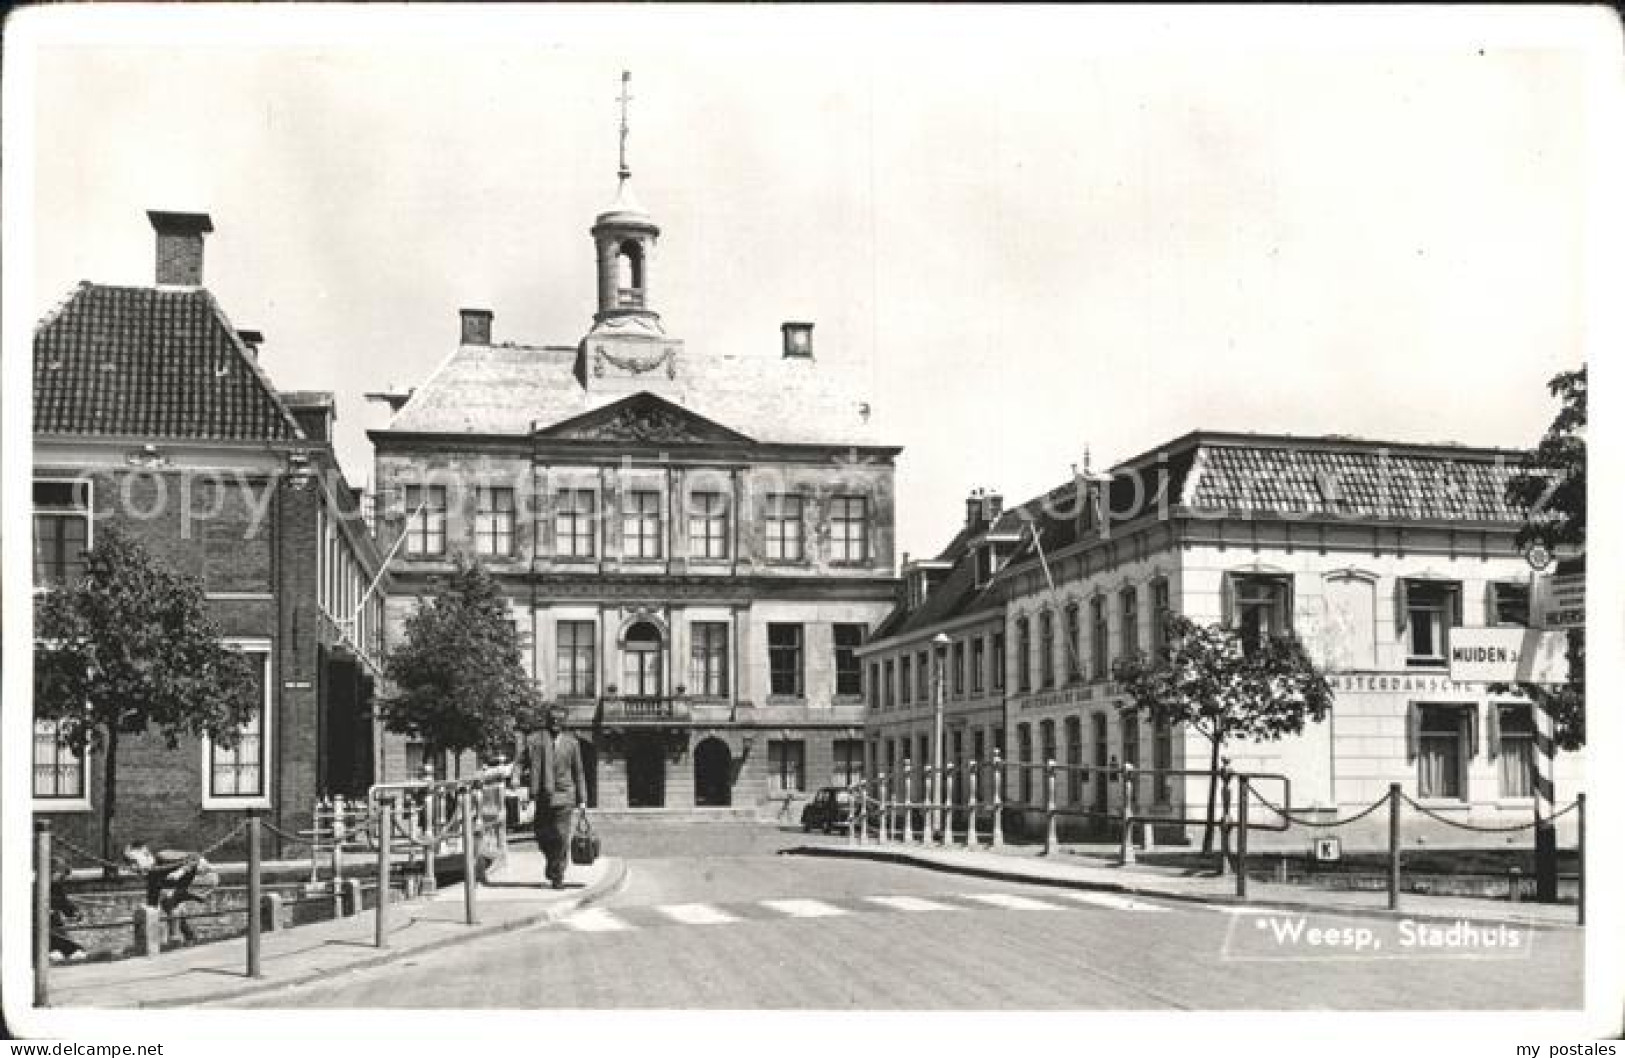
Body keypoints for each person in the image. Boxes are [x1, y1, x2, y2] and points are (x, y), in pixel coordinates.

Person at [510, 708, 587, 889]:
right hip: (542, 794)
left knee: (561, 836)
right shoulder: (534, 740)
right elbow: (520, 761)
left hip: (564, 795)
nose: (555, 723)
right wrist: (515, 776)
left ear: (564, 722)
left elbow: (579, 772)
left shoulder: (572, 743)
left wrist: (582, 799)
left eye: (559, 719)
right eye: (552, 719)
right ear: (547, 720)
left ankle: (557, 874)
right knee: (542, 834)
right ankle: (552, 862)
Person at [121, 841, 220, 945]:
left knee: (168, 900)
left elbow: (195, 856)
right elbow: (152, 907)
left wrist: (180, 871)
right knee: (167, 902)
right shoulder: (152, 877)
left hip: (205, 878)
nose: (133, 867)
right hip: (187, 886)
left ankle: (176, 938)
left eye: (133, 861)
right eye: (128, 863)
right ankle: (189, 936)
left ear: (145, 853)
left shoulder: (163, 856)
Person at [48, 858, 87, 963]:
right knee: (56, 954)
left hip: (57, 930)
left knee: (79, 952)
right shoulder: (33, 887)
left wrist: (75, 912)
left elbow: (65, 904)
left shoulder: (57, 887)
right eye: (61, 874)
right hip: (42, 932)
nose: (63, 878)